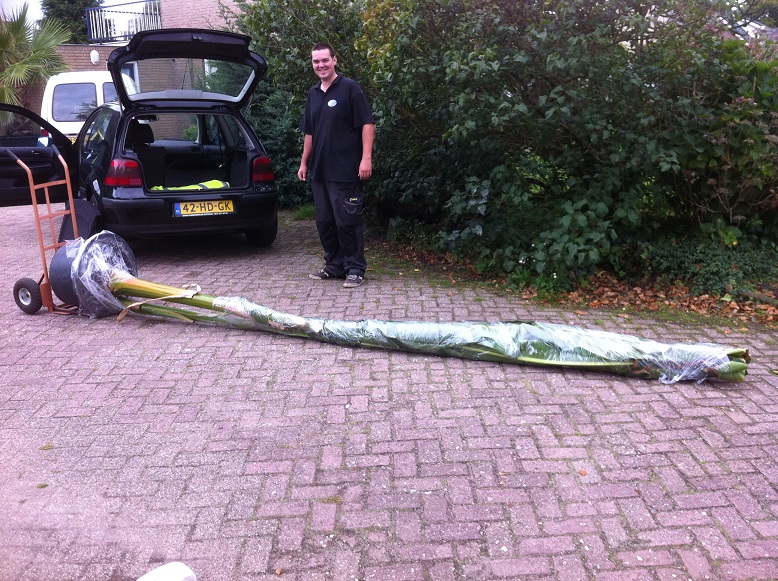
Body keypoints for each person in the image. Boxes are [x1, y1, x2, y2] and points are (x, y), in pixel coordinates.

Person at [298, 42, 375, 288]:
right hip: (319, 171)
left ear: (334, 60)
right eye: (316, 61)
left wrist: (366, 158)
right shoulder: (313, 94)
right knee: (325, 223)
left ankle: (355, 269)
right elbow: (309, 132)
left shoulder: (349, 88)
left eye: (324, 60)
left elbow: (367, 124)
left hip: (345, 169)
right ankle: (334, 266)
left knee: (347, 222)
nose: (320, 65)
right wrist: (304, 163)